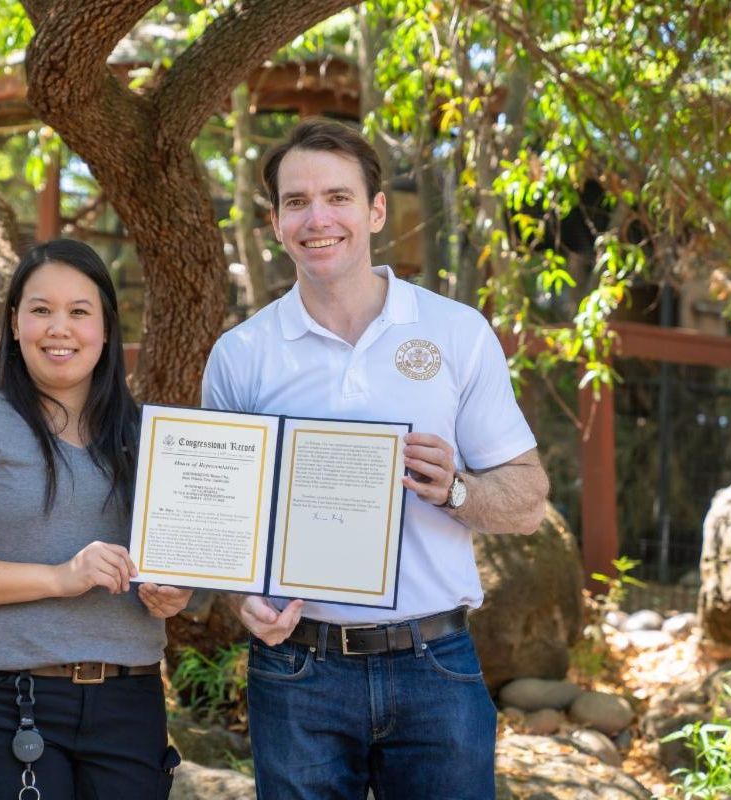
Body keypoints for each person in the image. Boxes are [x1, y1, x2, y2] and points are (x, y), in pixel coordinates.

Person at [202, 119, 550, 799]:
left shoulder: (454, 332)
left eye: (337, 196)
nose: (317, 218)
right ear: (274, 222)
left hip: (435, 665)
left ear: (375, 209)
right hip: (296, 666)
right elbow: (218, 522)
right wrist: (242, 596)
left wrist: (454, 490)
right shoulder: (241, 355)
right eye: (295, 202)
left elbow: (528, 501)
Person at [0, 239, 191, 800]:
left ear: (105, 329)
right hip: (9, 702)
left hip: (131, 702)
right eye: (41, 310)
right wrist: (59, 577)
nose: (60, 328)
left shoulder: (154, 436)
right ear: (14, 323)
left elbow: (192, 557)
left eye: (80, 312)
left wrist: (178, 593)